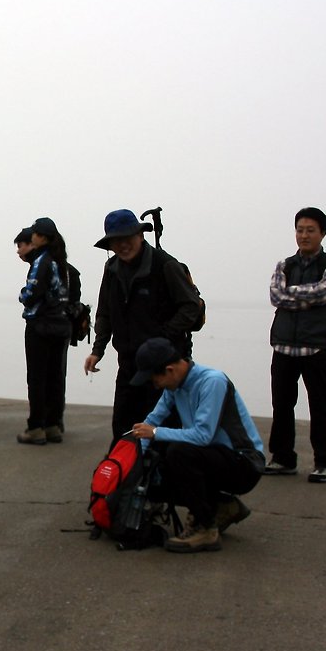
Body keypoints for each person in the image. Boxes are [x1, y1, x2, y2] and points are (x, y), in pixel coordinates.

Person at [130, 338, 265, 553]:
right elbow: (152, 421)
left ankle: (206, 528)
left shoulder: (212, 382)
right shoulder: (175, 386)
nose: (153, 384)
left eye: (154, 379)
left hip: (245, 463)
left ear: (170, 370)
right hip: (214, 457)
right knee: (157, 465)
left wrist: (154, 433)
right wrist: (135, 462)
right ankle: (222, 506)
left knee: (179, 453)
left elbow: (203, 436)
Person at [83, 209, 202, 443]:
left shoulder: (165, 265)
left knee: (164, 430)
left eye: (127, 238)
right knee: (123, 429)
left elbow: (191, 307)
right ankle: (127, 475)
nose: (123, 245)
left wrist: (163, 337)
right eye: (116, 241)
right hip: (128, 364)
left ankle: (162, 477)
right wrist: (98, 350)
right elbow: (104, 313)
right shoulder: (111, 269)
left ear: (141, 235)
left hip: (163, 365)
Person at [265, 207, 326, 483]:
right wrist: (305, 297)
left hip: (316, 346)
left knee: (320, 404)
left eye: (310, 230)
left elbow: (324, 292)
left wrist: (292, 294)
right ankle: (283, 458)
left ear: (322, 233)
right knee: (282, 404)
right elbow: (276, 296)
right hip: (283, 346)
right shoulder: (284, 265)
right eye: (300, 229)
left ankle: (324, 462)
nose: (304, 235)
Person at [16, 218, 74, 445]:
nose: (32, 237)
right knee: (54, 377)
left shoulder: (42, 261)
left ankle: (36, 427)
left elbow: (31, 293)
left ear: (42, 237)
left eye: (35, 234)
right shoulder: (61, 262)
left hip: (40, 325)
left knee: (37, 378)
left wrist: (22, 294)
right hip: (60, 325)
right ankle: (52, 425)